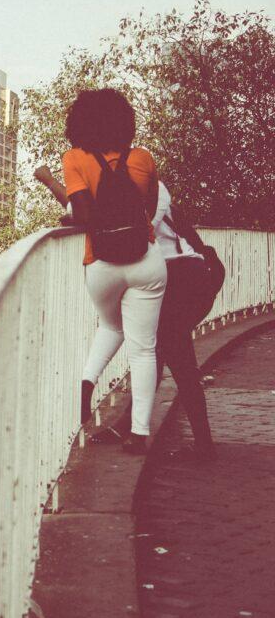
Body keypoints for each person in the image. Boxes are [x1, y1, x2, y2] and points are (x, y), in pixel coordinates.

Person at [37, 169, 218, 461]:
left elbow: (136, 222)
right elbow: (77, 209)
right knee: (160, 351)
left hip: (181, 275)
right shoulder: (137, 187)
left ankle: (200, 445)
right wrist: (49, 182)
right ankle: (134, 427)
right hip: (179, 275)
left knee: (176, 356)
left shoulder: (153, 188)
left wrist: (56, 188)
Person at [41, 88, 168, 454]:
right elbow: (149, 208)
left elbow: (82, 214)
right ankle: (140, 433)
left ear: (80, 122)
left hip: (101, 262)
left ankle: (86, 381)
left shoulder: (75, 159)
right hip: (145, 262)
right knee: (143, 350)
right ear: (125, 121)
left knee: (110, 326)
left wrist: (69, 211)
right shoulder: (142, 157)